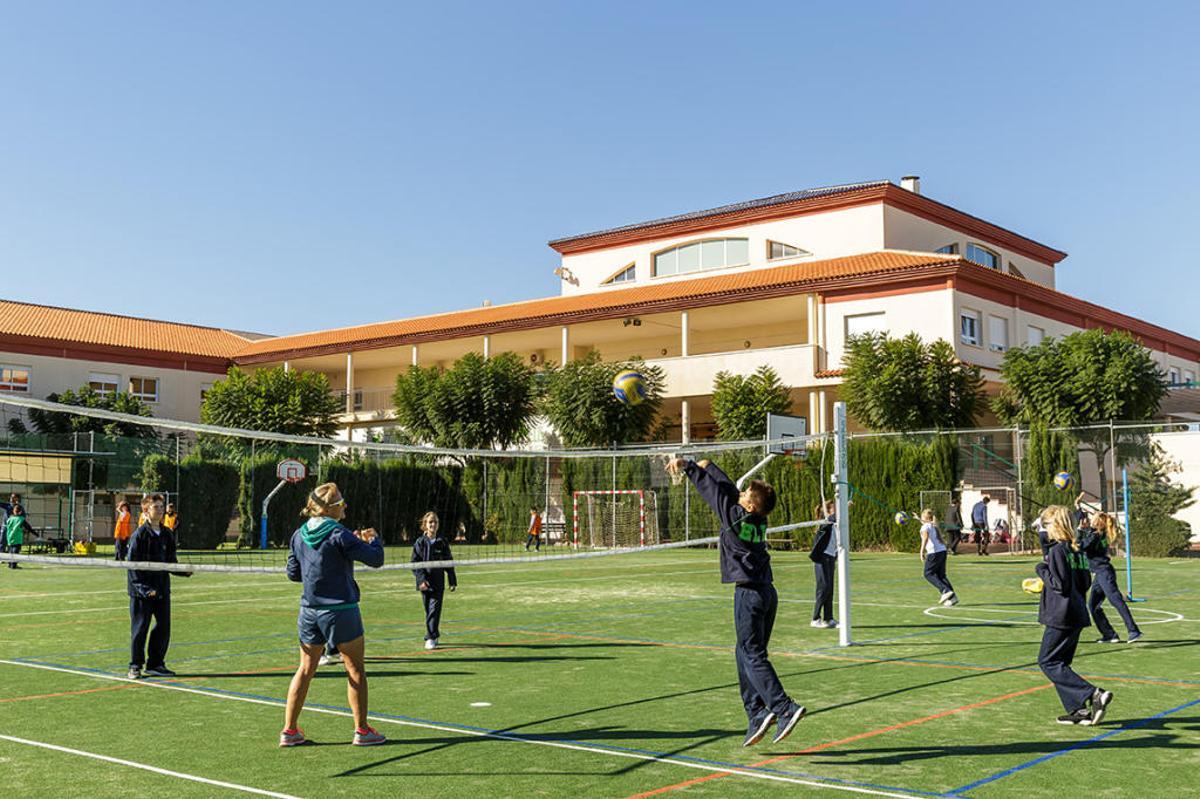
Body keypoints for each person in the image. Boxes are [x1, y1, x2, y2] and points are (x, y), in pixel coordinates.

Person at [666, 456, 806, 748]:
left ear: (750, 506)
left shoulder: (733, 516)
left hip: (749, 594)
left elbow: (716, 493)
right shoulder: (756, 516)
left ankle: (784, 708)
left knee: (752, 654)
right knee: (745, 653)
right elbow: (731, 490)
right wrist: (709, 465)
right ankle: (756, 713)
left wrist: (688, 467)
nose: (739, 495)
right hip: (767, 592)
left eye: (744, 496)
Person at [281, 482, 386, 747]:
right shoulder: (339, 533)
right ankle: (361, 730)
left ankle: (289, 730)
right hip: (340, 611)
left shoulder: (299, 534)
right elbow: (376, 559)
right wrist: (374, 540)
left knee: (305, 669)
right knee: (355, 670)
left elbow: (293, 574)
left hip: (309, 611)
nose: (345, 506)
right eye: (341, 503)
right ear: (329, 508)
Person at [1035, 505, 1113, 726]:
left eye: (1046, 524)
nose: (1044, 529)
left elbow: (1059, 584)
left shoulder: (1057, 551)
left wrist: (1041, 569)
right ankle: (1078, 710)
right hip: (1077, 612)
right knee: (1061, 663)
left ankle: (1093, 694)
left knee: (1047, 661)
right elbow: (1085, 582)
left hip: (1062, 615)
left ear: (1056, 526)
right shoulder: (1076, 551)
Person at [125, 493, 191, 679]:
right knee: (140, 628)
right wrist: (145, 590)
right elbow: (133, 568)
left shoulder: (167, 534)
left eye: (162, 507)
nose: (161, 510)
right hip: (141, 593)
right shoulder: (138, 536)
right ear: (146, 510)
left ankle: (156, 664)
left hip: (162, 589)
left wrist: (183, 571)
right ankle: (135, 665)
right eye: (156, 507)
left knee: (163, 627)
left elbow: (170, 562)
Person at [1080, 512, 1143, 644]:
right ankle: (1109, 634)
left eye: (1094, 518)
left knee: (1116, 601)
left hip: (1104, 573)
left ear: (1098, 522)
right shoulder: (1097, 534)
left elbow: (1081, 546)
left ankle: (1133, 630)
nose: (1091, 520)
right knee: (1093, 606)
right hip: (1100, 573)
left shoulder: (1095, 535)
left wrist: (1080, 530)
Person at [412, 511, 457, 650]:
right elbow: (414, 564)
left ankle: (430, 637)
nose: (433, 524)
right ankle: (435, 633)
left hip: (438, 582)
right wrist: (421, 580)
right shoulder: (420, 542)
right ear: (425, 525)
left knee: (434, 609)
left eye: (435, 522)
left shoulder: (442, 542)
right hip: (425, 583)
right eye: (430, 522)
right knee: (429, 610)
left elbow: (448, 561)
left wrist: (452, 579)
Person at [809, 500, 838, 629]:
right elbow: (833, 517)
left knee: (830, 588)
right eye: (835, 508)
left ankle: (828, 618)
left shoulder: (835, 524)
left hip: (831, 557)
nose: (837, 509)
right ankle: (815, 618)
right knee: (823, 587)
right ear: (827, 512)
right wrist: (845, 507)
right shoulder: (825, 523)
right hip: (822, 557)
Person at [919, 509, 957, 606]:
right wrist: (917, 518)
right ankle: (952, 597)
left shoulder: (925, 527)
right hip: (942, 551)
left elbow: (925, 538)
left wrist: (921, 551)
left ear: (925, 518)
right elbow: (925, 523)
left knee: (927, 573)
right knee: (941, 575)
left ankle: (945, 590)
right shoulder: (933, 525)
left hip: (933, 552)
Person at [4, 504, 34, 568]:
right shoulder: (21, 519)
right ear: (20, 512)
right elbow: (29, 528)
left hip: (9, 537)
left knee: (10, 551)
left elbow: (6, 527)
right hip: (17, 539)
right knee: (15, 552)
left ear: (13, 511)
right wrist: (36, 534)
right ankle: (13, 565)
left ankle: (10, 564)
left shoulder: (9, 519)